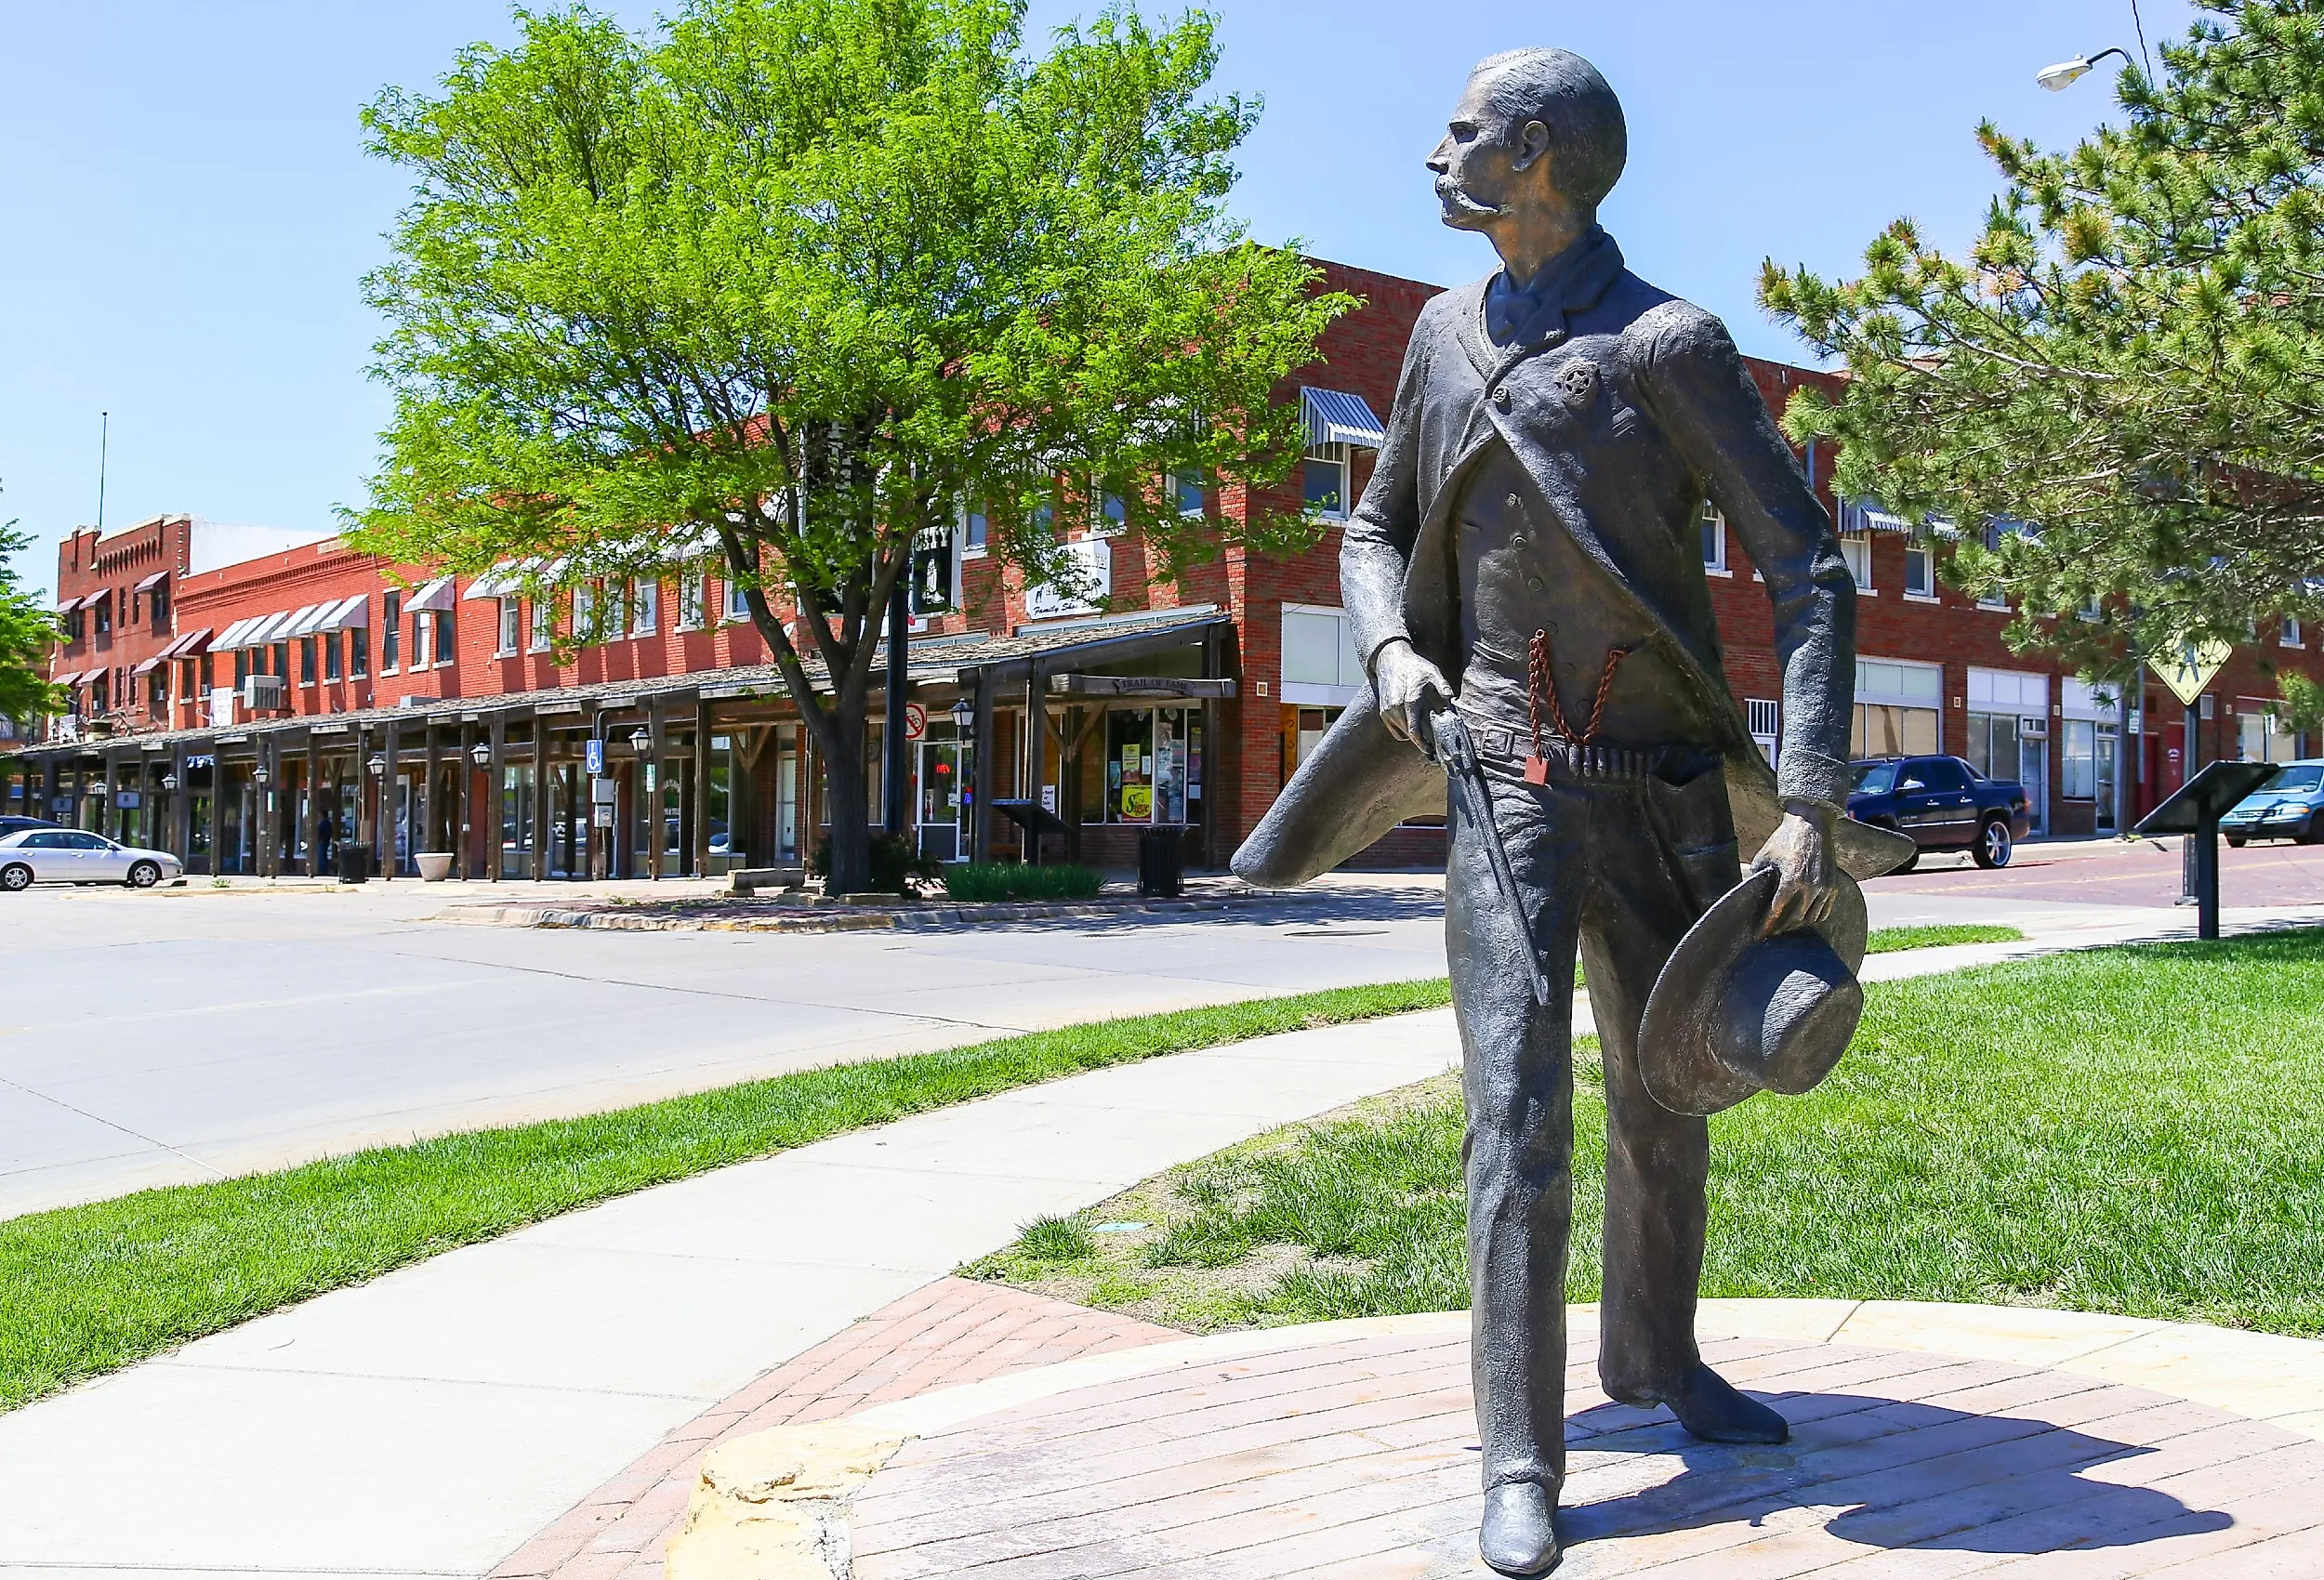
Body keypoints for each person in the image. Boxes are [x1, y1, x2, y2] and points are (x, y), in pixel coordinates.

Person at [1232, 47, 1904, 1576]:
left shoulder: (1666, 345)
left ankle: (1656, 1362)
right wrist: (1394, 647)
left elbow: (1806, 569)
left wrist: (1802, 802)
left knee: (1670, 1095)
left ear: (1533, 155)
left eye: (1464, 132)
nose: (1439, 153)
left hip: (1664, 795)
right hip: (1500, 781)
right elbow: (1375, 523)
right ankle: (1520, 1456)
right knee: (1516, 1123)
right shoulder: (1436, 338)